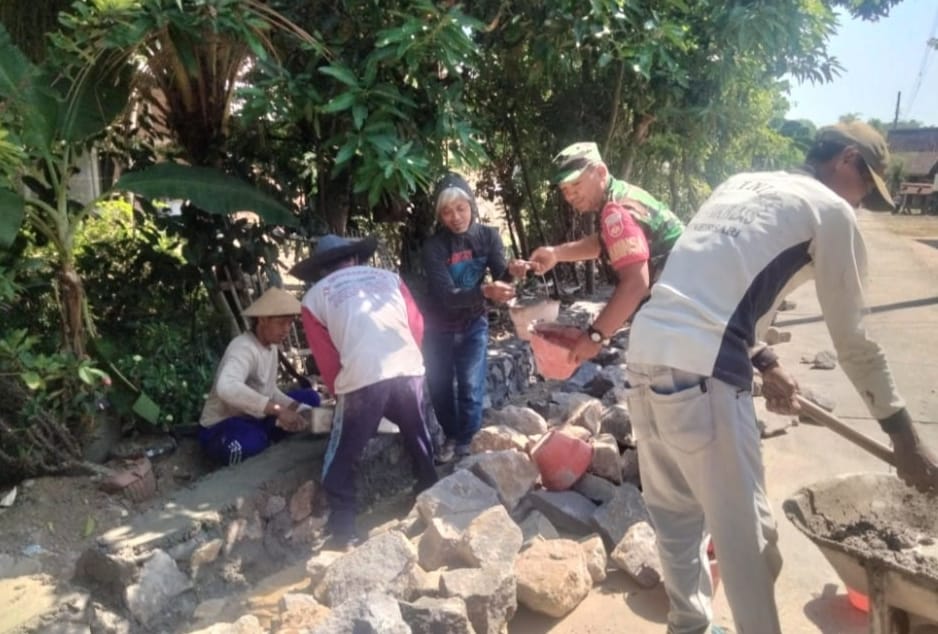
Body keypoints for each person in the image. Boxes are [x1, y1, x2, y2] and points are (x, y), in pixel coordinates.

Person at [623, 121, 938, 634]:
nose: (860, 203)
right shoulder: (830, 210)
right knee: (751, 544)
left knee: (677, 520)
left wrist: (767, 364)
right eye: (866, 186)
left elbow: (714, 291)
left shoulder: (739, 185)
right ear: (847, 159)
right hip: (705, 371)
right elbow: (855, 345)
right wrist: (906, 439)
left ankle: (690, 628)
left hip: (644, 352)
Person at [291, 234, 438, 547]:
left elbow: (326, 357)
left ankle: (344, 531)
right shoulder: (390, 278)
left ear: (321, 269)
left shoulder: (314, 297)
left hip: (362, 378)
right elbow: (417, 324)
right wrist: (408, 359)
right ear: (355, 258)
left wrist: (341, 395)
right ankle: (431, 496)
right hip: (408, 367)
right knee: (417, 434)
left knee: (342, 456)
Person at [510, 142, 684, 363]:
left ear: (601, 172)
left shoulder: (615, 212)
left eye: (576, 184)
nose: (570, 196)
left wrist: (595, 336)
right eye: (565, 189)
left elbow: (635, 284)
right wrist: (556, 253)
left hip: (679, 311)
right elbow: (606, 242)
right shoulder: (623, 195)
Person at [421, 172, 517, 461]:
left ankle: (468, 442)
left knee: (471, 386)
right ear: (440, 216)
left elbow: (502, 278)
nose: (456, 217)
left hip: (474, 322)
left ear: (471, 205)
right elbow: (446, 296)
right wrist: (486, 290)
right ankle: (452, 435)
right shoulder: (434, 247)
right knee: (440, 389)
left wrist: (514, 273)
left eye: (460, 208)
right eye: (447, 212)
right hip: (438, 327)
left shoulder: (488, 237)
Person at [199, 288, 322, 466]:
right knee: (252, 443)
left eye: (290, 323)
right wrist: (279, 411)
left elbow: (269, 391)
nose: (286, 330)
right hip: (222, 425)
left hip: (254, 418)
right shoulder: (243, 348)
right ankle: (263, 439)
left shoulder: (271, 347)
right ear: (262, 319)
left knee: (311, 398)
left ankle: (270, 435)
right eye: (281, 323)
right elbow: (226, 387)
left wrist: (299, 408)